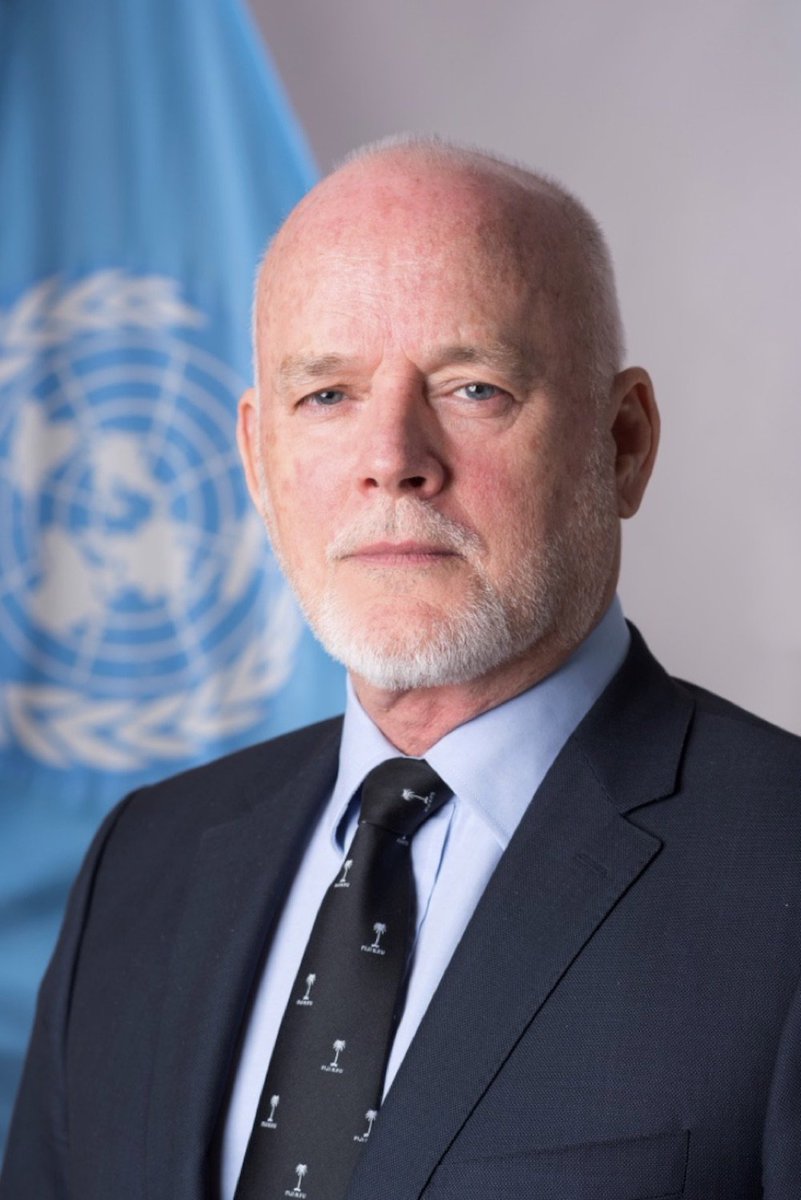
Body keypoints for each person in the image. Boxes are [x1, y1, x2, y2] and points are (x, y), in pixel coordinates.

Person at [2, 136, 800, 1200]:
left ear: (622, 443)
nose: (392, 459)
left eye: (473, 387)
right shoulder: (142, 865)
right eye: (327, 397)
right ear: (257, 461)